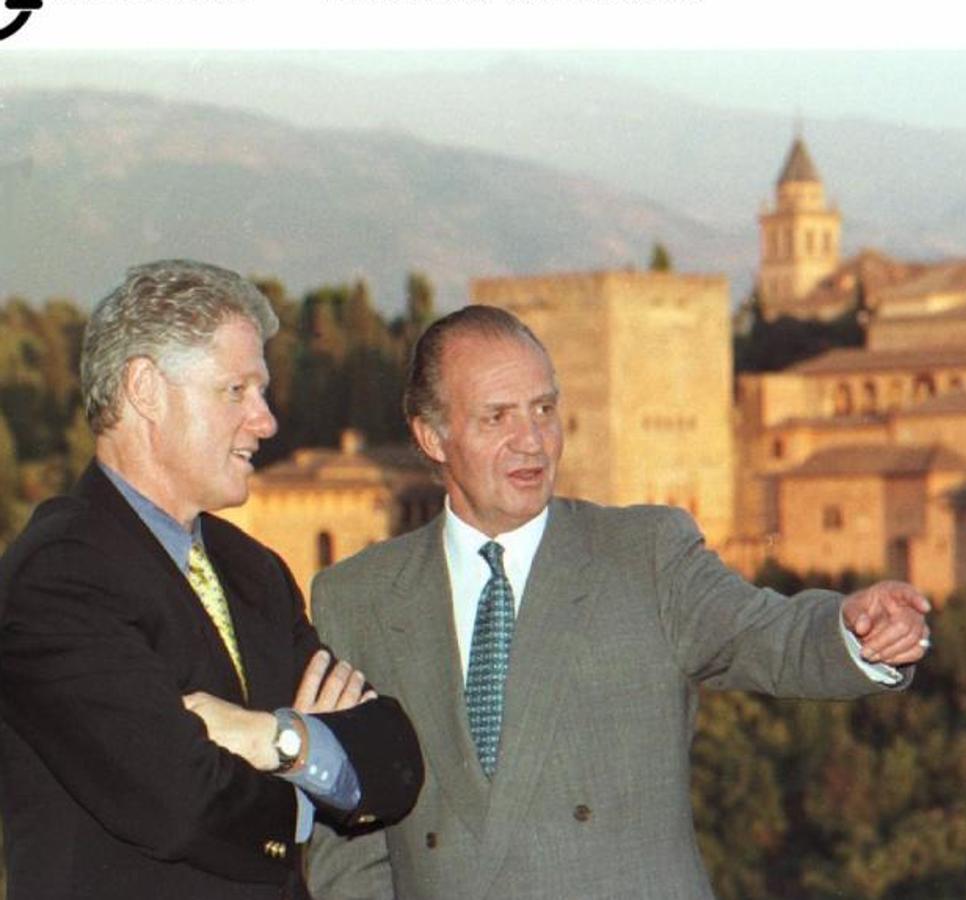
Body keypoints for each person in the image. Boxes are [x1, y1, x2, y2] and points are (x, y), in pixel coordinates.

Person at [307, 304, 932, 900]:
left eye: (544, 409)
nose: (532, 441)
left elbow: (763, 633)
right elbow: (350, 839)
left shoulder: (644, 552)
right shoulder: (356, 598)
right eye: (496, 418)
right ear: (432, 437)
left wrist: (850, 631)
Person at [0, 260, 424, 900]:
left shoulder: (254, 572)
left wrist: (272, 737)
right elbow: (180, 805)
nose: (267, 421)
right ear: (145, 389)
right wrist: (311, 769)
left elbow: (394, 763)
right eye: (237, 391)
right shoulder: (59, 578)